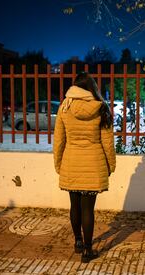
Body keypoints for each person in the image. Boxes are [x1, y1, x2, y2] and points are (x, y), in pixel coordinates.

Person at [53, 72, 116, 263]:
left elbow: (59, 140)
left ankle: (78, 242)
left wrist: (58, 164)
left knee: (75, 206)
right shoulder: (101, 108)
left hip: (71, 163)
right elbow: (108, 143)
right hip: (93, 164)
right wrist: (111, 166)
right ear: (91, 88)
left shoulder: (65, 106)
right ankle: (88, 251)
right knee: (88, 209)